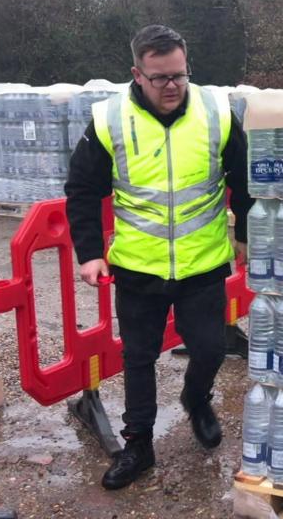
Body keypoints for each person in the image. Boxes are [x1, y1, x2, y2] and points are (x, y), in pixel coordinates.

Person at [65, 24, 253, 490]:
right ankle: (139, 445)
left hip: (203, 264)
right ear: (137, 74)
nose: (172, 86)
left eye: (180, 75)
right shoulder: (110, 119)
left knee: (210, 348)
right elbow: (82, 190)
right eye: (160, 78)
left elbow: (245, 183)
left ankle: (196, 398)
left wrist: (246, 234)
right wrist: (89, 253)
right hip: (138, 266)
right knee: (139, 358)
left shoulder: (218, 113)